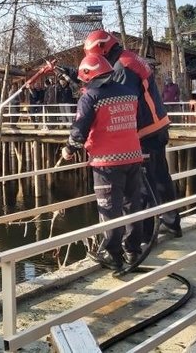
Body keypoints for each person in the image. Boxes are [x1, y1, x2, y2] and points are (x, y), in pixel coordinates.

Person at [70, 29, 181, 239]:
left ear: (103, 49)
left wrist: (88, 92)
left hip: (144, 132)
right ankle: (171, 222)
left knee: (143, 187)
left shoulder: (122, 67)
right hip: (157, 125)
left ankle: (146, 236)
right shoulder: (129, 58)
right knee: (161, 179)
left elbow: (117, 96)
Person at [62, 54, 143, 275]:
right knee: (131, 207)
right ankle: (133, 251)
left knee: (109, 209)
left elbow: (79, 131)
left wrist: (69, 149)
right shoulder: (129, 92)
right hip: (133, 157)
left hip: (107, 163)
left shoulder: (91, 97)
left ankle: (112, 256)